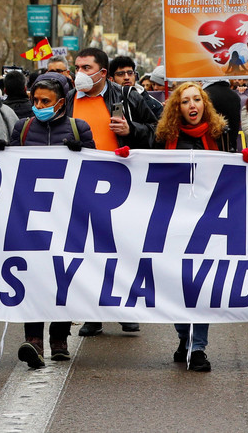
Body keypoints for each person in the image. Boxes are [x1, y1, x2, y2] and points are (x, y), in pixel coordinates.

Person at [0, 73, 93, 367]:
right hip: (31, 216)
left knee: (63, 276)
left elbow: (99, 172)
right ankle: (33, 341)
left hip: (68, 217)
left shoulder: (79, 127)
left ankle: (59, 338)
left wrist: (84, 150)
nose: (38, 105)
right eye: (35, 100)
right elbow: (10, 165)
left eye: (44, 101)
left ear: (61, 102)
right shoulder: (23, 128)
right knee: (32, 275)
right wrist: (0, 152)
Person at [69, 47, 156, 337]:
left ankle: (126, 310)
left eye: (86, 68)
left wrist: (132, 130)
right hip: (82, 187)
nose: (79, 73)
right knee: (90, 252)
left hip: (123, 186)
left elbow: (160, 130)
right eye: (77, 67)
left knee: (124, 250)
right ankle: (94, 312)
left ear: (103, 73)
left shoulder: (128, 97)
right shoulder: (69, 100)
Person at [154, 81, 234, 372]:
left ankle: (198, 348)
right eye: (185, 101)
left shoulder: (220, 135)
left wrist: (246, 160)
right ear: (178, 107)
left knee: (201, 286)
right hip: (173, 221)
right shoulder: (164, 137)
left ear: (204, 104)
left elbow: (235, 169)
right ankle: (183, 337)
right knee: (177, 286)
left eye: (197, 100)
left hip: (210, 221)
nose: (192, 105)